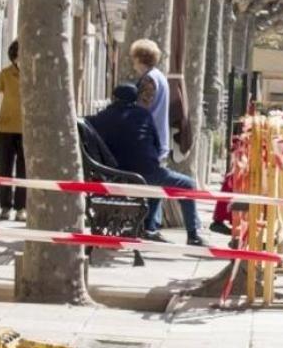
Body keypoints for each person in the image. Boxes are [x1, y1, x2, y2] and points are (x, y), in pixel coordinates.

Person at [87, 84, 204, 246]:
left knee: (157, 184)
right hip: (144, 174)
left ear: (114, 98)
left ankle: (149, 227)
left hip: (115, 175)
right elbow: (156, 146)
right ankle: (193, 235)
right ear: (135, 99)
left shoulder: (100, 118)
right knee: (187, 184)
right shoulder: (143, 115)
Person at [0, 40, 27, 222]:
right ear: (14, 57)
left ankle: (21, 207)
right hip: (6, 127)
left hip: (25, 129)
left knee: (23, 170)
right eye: (19, 55)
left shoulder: (33, 77)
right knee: (5, 168)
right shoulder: (5, 75)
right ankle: (5, 206)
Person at [130, 39, 171, 161]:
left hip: (151, 141)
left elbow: (141, 110)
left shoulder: (149, 79)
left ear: (138, 59)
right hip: (158, 139)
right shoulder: (159, 76)